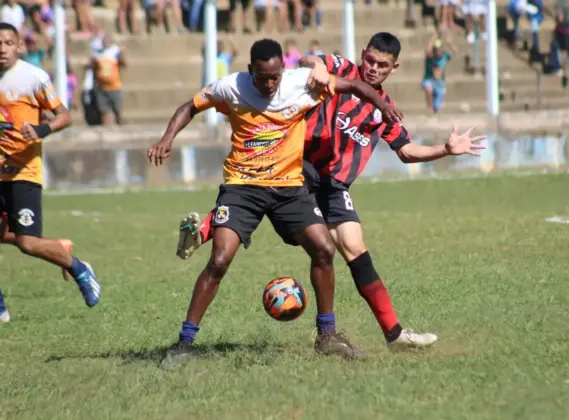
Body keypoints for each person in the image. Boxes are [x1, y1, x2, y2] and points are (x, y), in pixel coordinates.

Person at [176, 33, 485, 351]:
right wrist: (318, 68)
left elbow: (406, 151)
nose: (373, 69)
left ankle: (394, 335)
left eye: (382, 65)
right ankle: (204, 230)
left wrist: (446, 150)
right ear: (362, 54)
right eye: (370, 60)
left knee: (355, 249)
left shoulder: (384, 110)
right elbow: (312, 61)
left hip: (334, 186)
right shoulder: (343, 70)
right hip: (298, 167)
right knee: (262, 201)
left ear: (394, 67)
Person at [148, 38, 403, 368]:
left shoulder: (299, 83)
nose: (270, 84)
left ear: (283, 69)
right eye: (263, 77)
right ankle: (184, 343)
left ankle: (327, 336)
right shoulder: (231, 87)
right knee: (221, 259)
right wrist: (167, 138)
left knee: (324, 249)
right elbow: (189, 106)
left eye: (276, 76)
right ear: (251, 70)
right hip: (243, 187)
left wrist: (382, 106)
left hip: (288, 188)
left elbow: (355, 85)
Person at [0, 23, 101, 323]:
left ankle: (77, 267)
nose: (1, 48)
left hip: (23, 173)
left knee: (28, 242)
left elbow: (65, 117)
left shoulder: (33, 77)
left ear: (19, 47)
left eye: (7, 42)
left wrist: (41, 129)